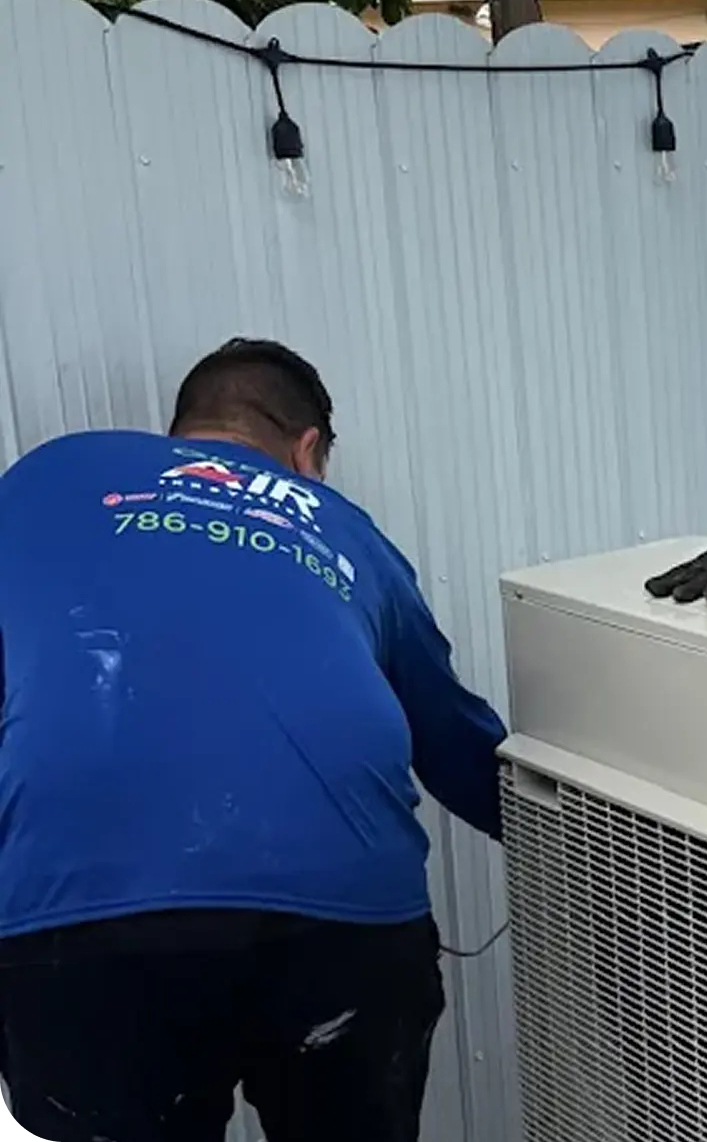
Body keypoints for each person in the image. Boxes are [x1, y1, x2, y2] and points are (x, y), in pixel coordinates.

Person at [0, 338, 508, 1142]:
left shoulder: (45, 478)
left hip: (81, 917)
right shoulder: (344, 529)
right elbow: (451, 735)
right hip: (340, 915)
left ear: (182, 430)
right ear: (307, 451)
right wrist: (594, 841)